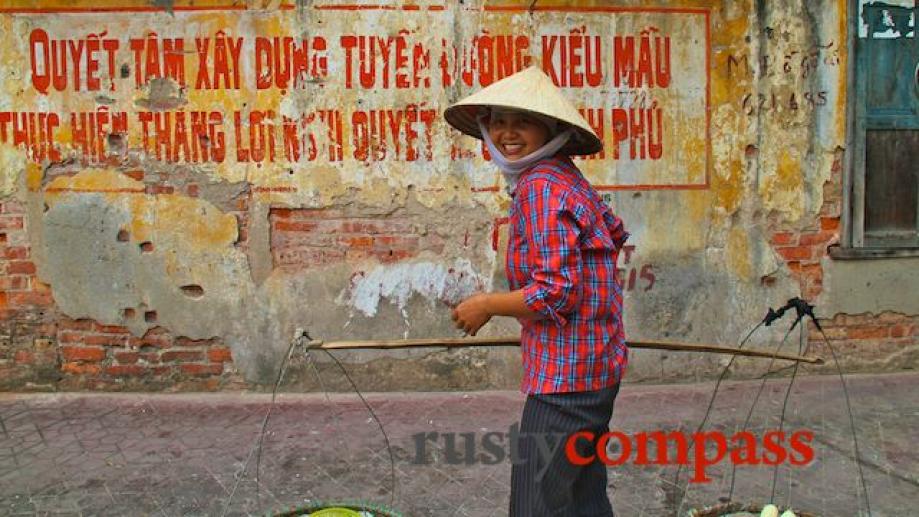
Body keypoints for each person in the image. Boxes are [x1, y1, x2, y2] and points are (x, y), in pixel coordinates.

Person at [443, 66, 629, 516]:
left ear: (551, 129)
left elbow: (556, 293)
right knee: (583, 498)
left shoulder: (542, 187)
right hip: (595, 366)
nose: (507, 132)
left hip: (566, 380)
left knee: (536, 504)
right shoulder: (563, 176)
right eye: (498, 120)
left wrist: (485, 305)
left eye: (521, 121)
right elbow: (612, 235)